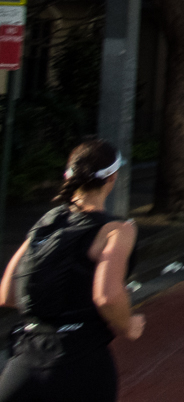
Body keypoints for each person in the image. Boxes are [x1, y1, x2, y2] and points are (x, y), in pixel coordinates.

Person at [0, 137, 144, 402]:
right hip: (81, 365)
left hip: (24, 365)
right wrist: (129, 325)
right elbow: (107, 297)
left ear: (68, 175)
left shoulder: (45, 225)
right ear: (112, 177)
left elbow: (7, 293)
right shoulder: (116, 231)